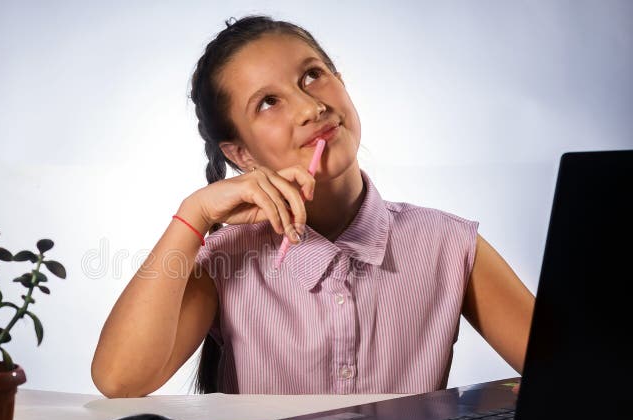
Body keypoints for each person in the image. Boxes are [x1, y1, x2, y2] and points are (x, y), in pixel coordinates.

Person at [91, 15, 534, 398]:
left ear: (340, 80)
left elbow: (574, 373)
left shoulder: (450, 244)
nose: (310, 107)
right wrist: (192, 216)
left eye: (312, 76)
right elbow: (120, 379)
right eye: (268, 103)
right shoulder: (226, 260)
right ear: (241, 155)